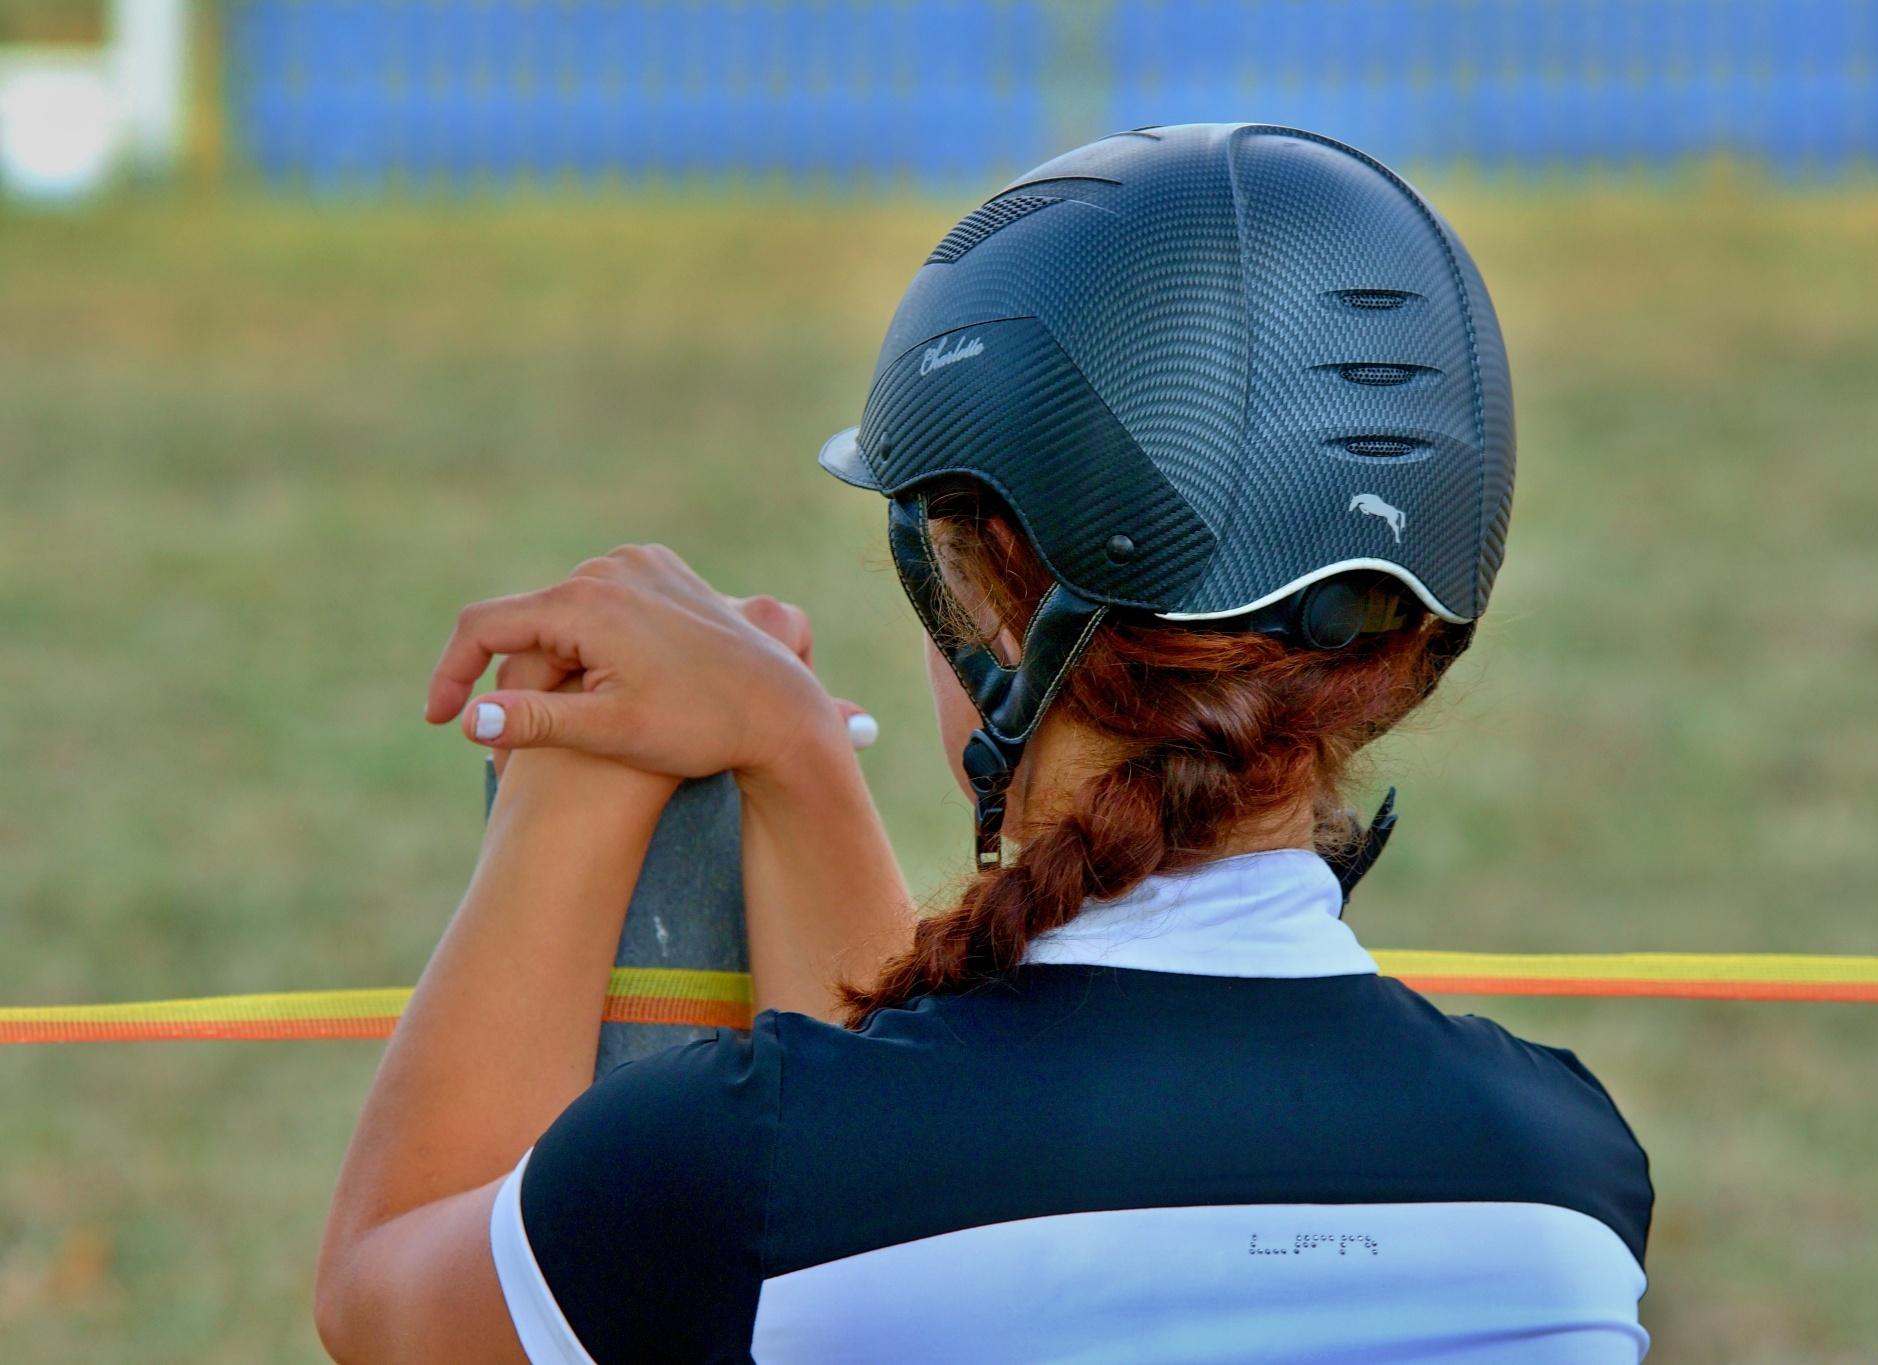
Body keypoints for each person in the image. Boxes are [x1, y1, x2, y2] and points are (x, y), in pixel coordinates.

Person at [316, 123, 1653, 1363]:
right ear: (1403, 648)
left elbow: (386, 1294)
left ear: (989, 605)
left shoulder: (732, 1173)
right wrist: (795, 761)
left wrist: (567, 772)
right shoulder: (1565, 1183)